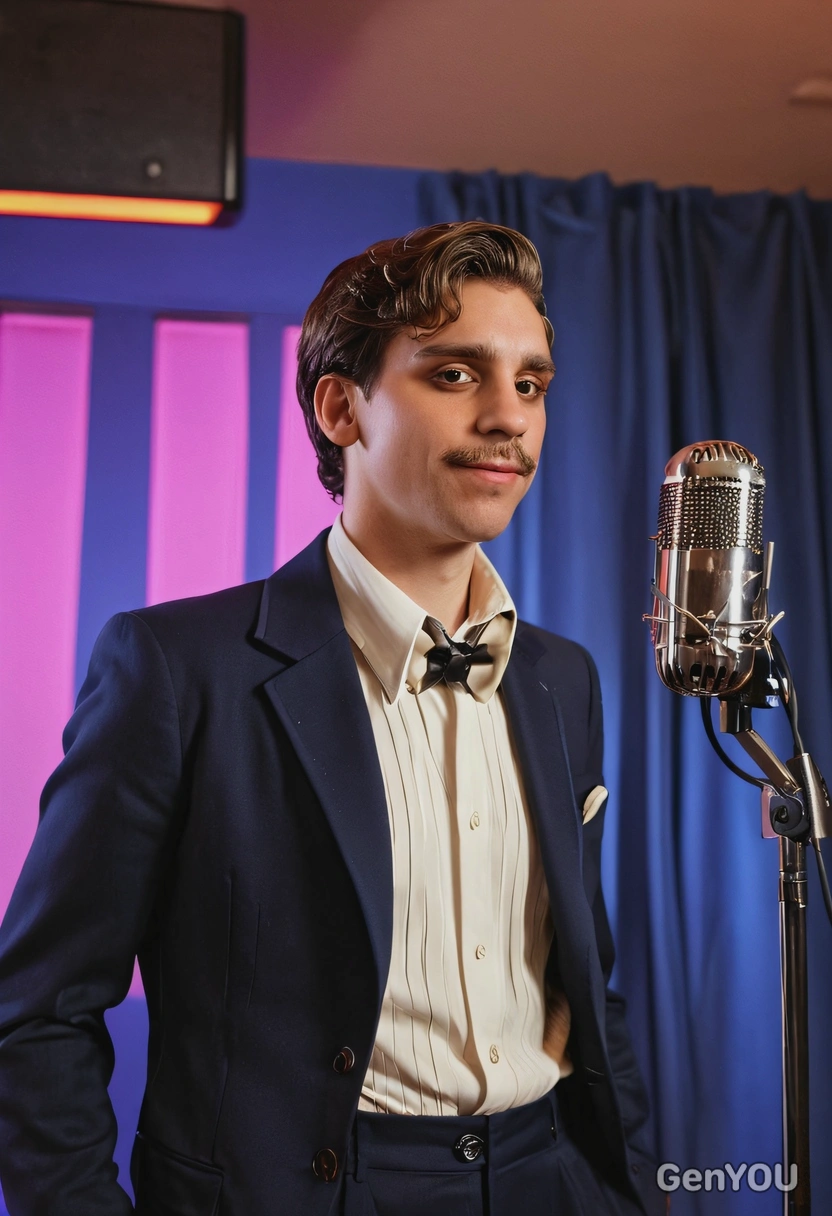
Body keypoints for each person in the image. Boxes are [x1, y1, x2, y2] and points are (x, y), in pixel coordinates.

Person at [0, 221, 662, 1215]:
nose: (506, 418)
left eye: (529, 383)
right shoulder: (176, 669)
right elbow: (38, 1012)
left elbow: (580, 977)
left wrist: (631, 1187)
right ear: (340, 407)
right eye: (454, 374)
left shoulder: (559, 677)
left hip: (552, 1177)